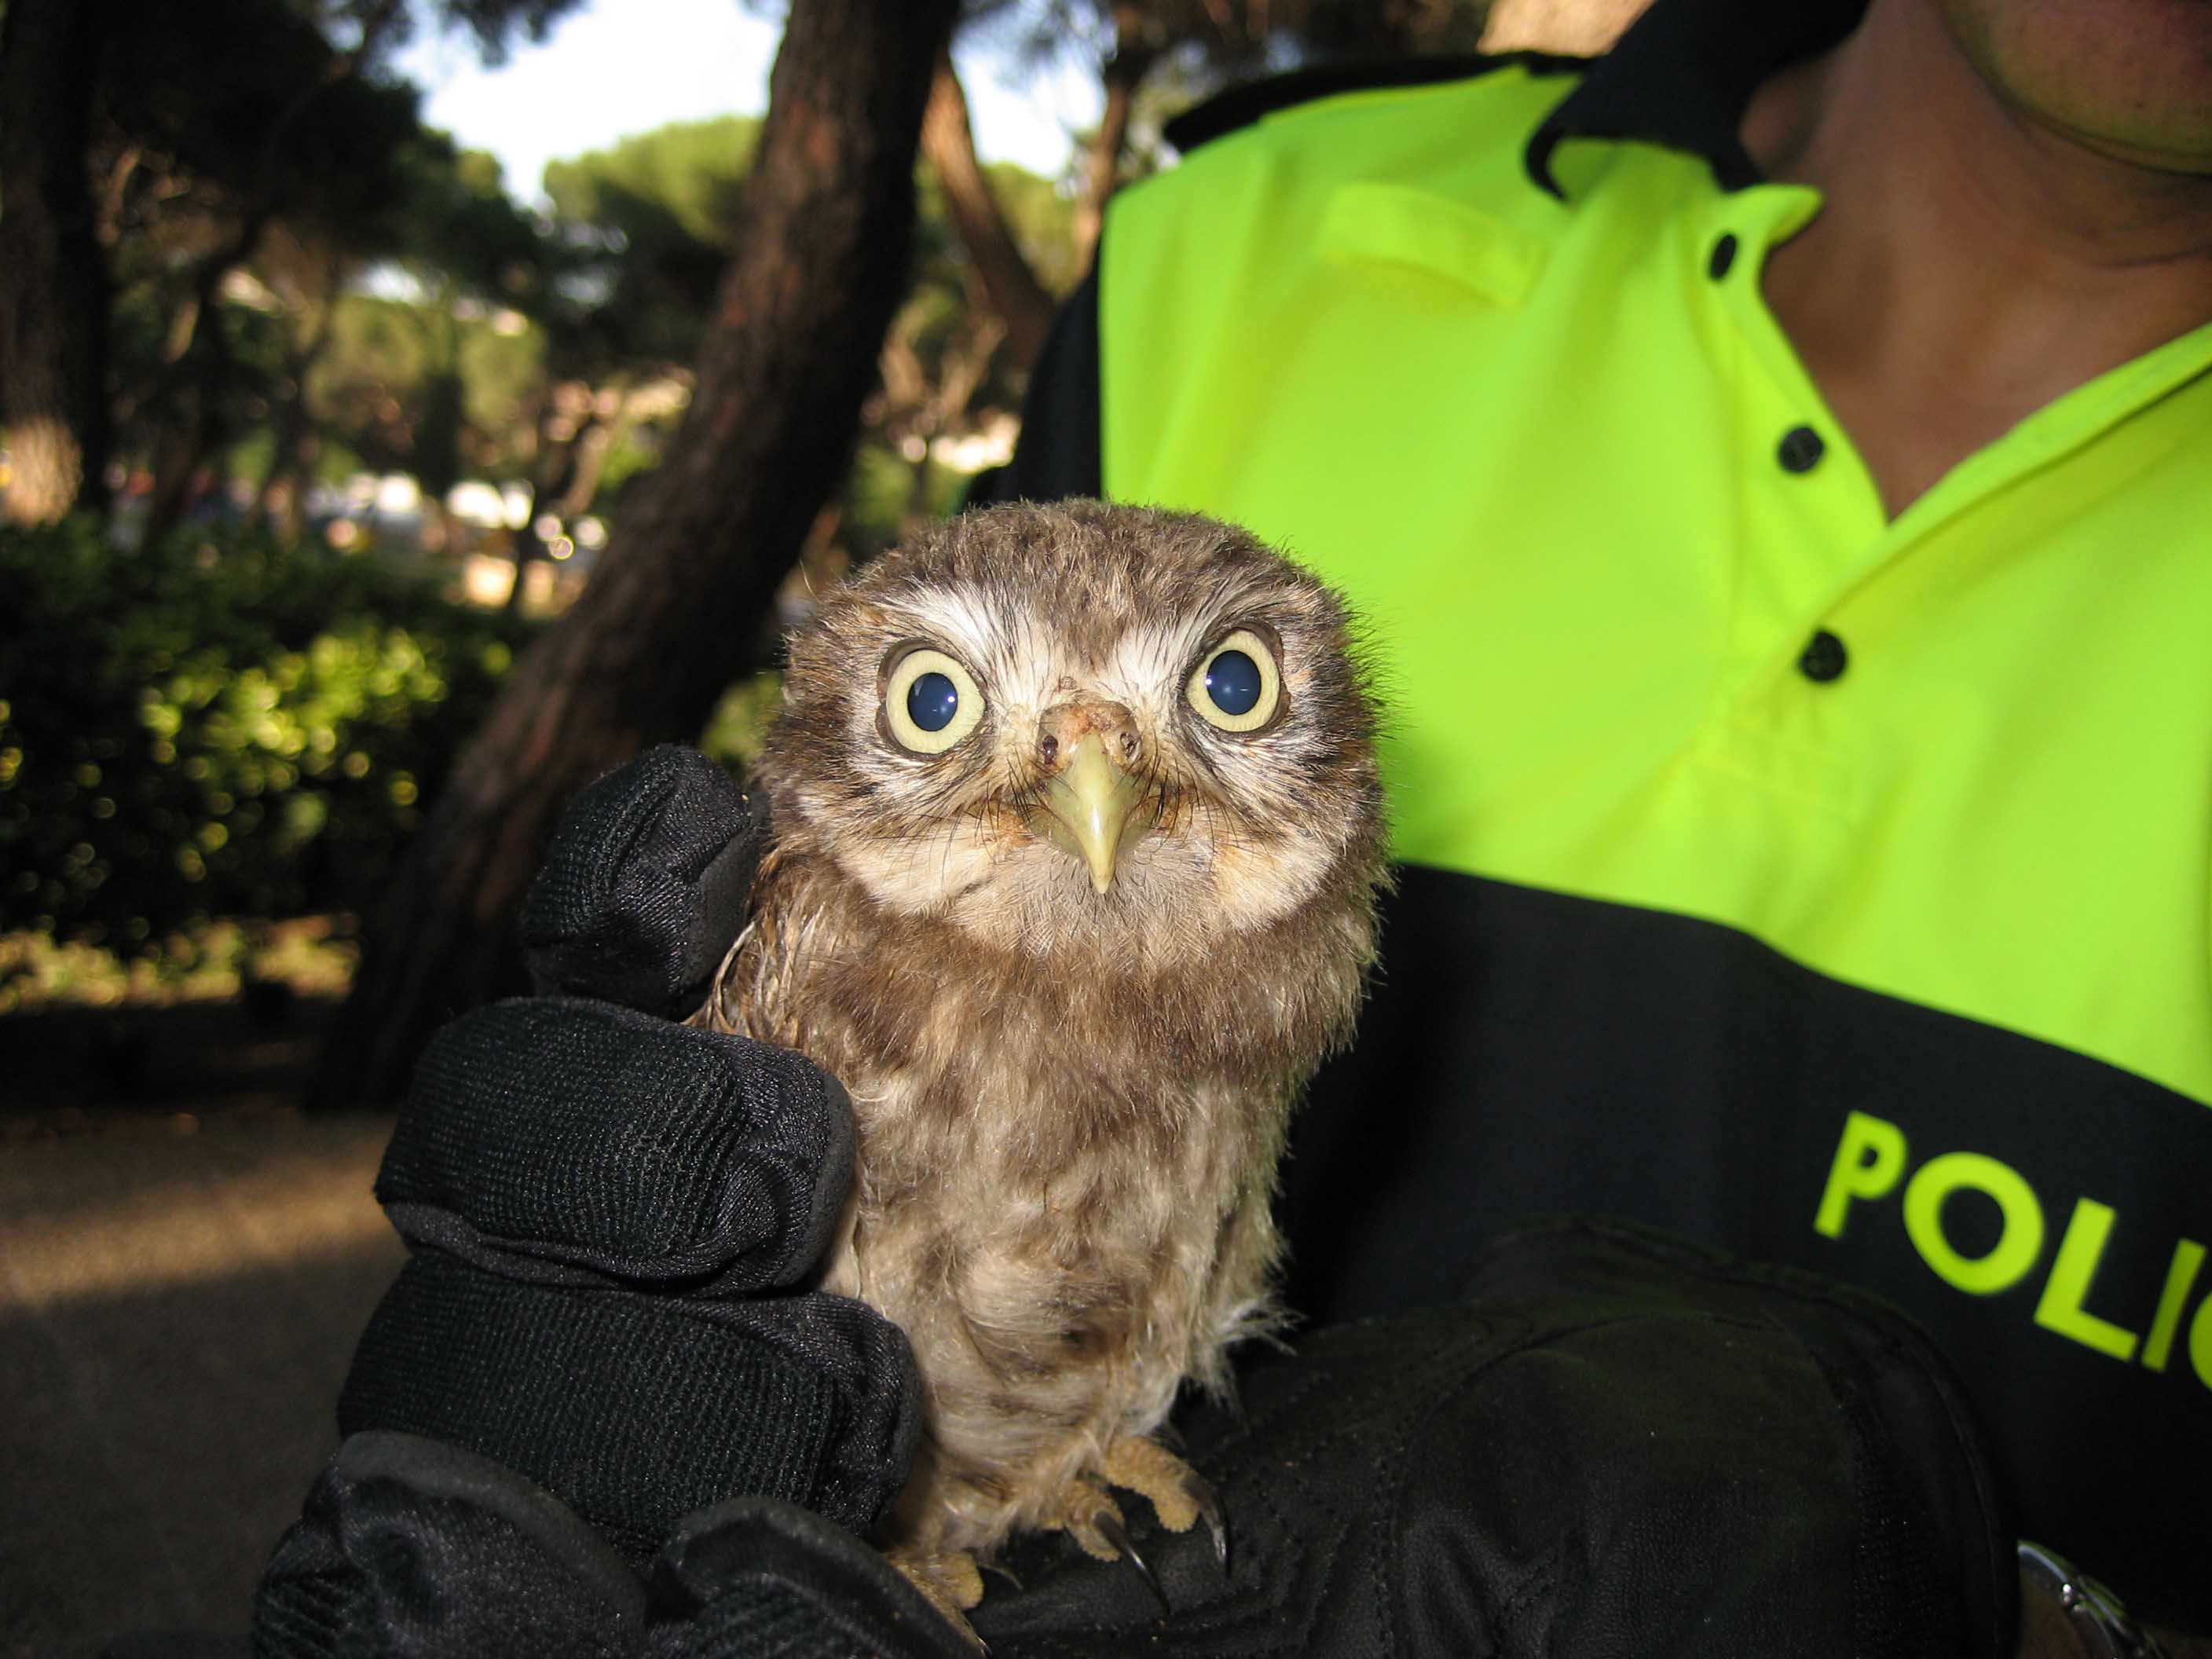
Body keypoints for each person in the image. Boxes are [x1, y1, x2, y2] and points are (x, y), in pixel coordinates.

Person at [214, 0, 2210, 1654]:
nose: (1091, 779)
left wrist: (1997, 1622)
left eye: (1228, 690)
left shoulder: (1286, 934)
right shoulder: (1242, 239)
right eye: (939, 707)